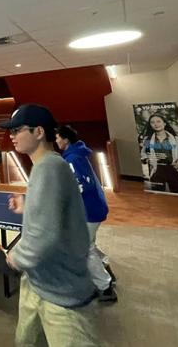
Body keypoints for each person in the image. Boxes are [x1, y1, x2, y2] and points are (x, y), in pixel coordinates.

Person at [0, 105, 99, 347]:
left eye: (17, 130)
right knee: (25, 341)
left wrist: (14, 258)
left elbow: (43, 236)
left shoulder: (49, 168)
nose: (11, 135)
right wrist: (28, 203)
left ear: (39, 131)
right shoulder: (47, 166)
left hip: (61, 292)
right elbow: (53, 209)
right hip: (38, 280)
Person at [56, 125, 117, 303]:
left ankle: (105, 287)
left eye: (59, 137)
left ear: (66, 140)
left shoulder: (73, 159)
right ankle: (105, 266)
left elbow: (82, 185)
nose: (57, 140)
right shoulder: (76, 155)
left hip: (89, 210)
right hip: (93, 207)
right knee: (88, 243)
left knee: (84, 248)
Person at [140, 113, 178, 194]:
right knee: (158, 195)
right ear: (150, 125)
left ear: (164, 123)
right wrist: (147, 160)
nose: (156, 124)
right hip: (157, 171)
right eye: (152, 122)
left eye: (158, 121)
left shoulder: (177, 140)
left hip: (174, 170)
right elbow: (143, 154)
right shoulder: (148, 140)